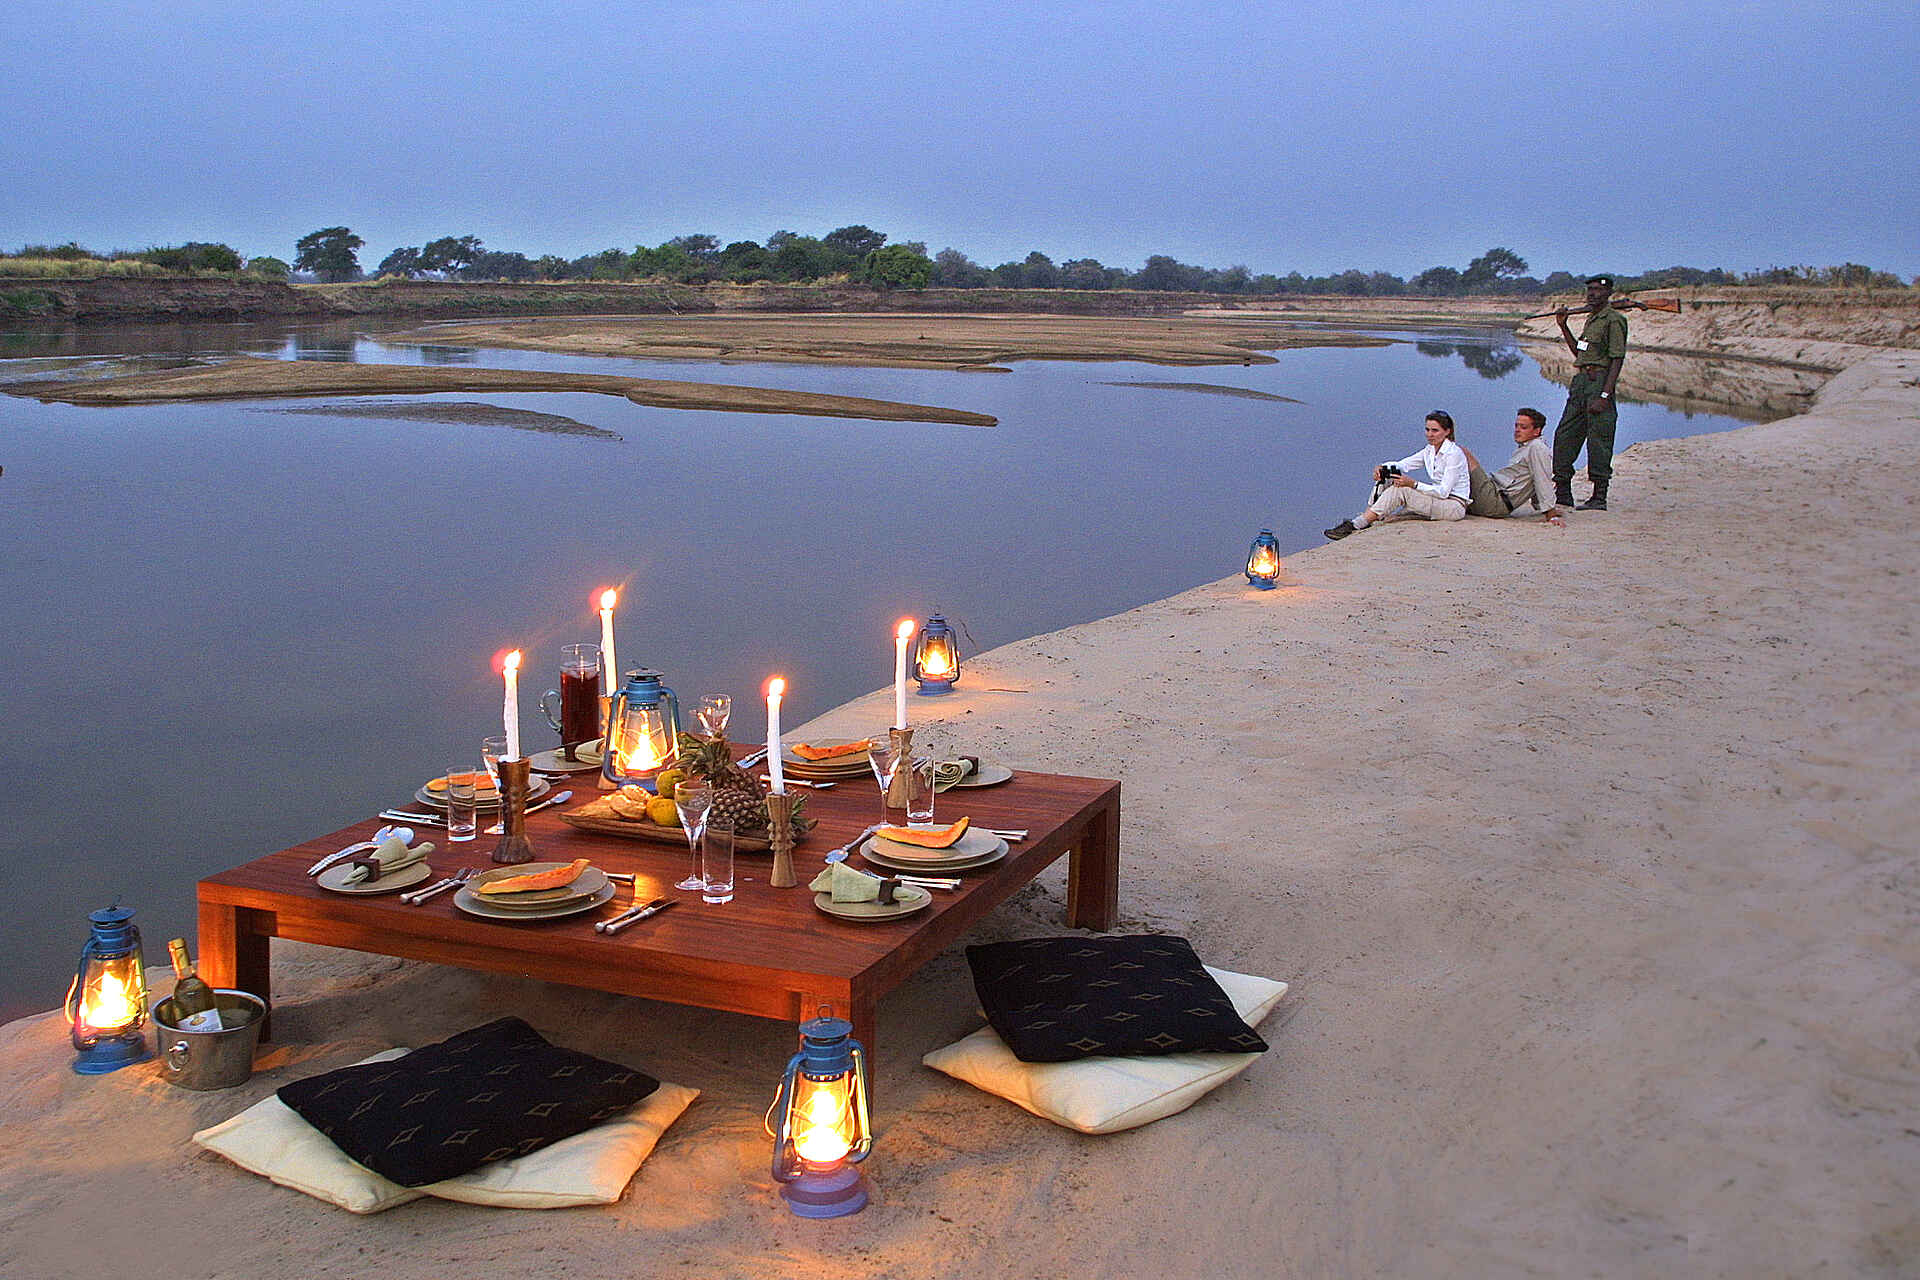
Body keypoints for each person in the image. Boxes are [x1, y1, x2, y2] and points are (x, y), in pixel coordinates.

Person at [1323, 411, 1469, 539]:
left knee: (1401, 490)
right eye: (1427, 430)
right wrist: (1383, 468)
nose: (1429, 435)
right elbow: (1404, 464)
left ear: (1447, 431)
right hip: (1438, 500)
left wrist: (1413, 484)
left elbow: (1443, 492)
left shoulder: (1453, 454)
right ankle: (1369, 515)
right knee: (1389, 475)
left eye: (1435, 431)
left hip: (1453, 506)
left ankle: (1357, 524)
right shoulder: (1429, 450)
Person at [1552, 274, 1628, 510]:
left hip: (1599, 382)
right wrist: (1563, 326)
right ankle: (1563, 492)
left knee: (1599, 439)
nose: (1592, 294)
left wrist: (1605, 395)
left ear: (1608, 293)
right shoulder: (1591, 320)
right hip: (1581, 382)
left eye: (1597, 290)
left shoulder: (1614, 320)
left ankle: (1599, 496)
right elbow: (1580, 353)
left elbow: (1617, 359)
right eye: (1590, 290)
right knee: (1565, 435)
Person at [1464, 407, 1564, 520]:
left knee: (1464, 453)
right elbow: (1535, 480)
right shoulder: (1527, 448)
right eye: (1516, 426)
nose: (1517, 430)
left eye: (1523, 427)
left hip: (1495, 501)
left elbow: (1542, 479)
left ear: (1536, 431)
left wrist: (1550, 513)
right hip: (1492, 497)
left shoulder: (1537, 447)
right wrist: (1540, 507)